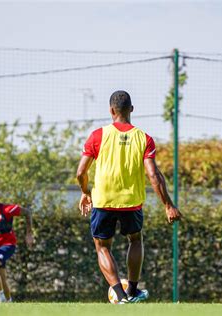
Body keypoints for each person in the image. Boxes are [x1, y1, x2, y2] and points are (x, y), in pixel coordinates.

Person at [76, 90, 182, 304]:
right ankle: (132, 290)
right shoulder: (144, 138)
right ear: (131, 109)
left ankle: (121, 295)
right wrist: (168, 205)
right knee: (135, 239)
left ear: (111, 110)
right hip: (131, 202)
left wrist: (85, 192)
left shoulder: (98, 135)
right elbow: (153, 174)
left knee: (102, 247)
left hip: (103, 200)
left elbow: (80, 172)